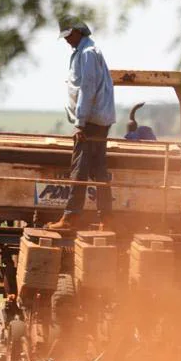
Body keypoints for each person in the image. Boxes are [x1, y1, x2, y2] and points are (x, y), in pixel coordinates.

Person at [45, 18, 116, 230]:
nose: (67, 41)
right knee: (98, 170)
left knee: (80, 167)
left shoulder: (87, 53)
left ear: (77, 32)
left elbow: (87, 88)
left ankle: (70, 217)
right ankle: (107, 219)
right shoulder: (86, 51)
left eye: (68, 36)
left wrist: (80, 123)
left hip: (91, 120)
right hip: (97, 119)